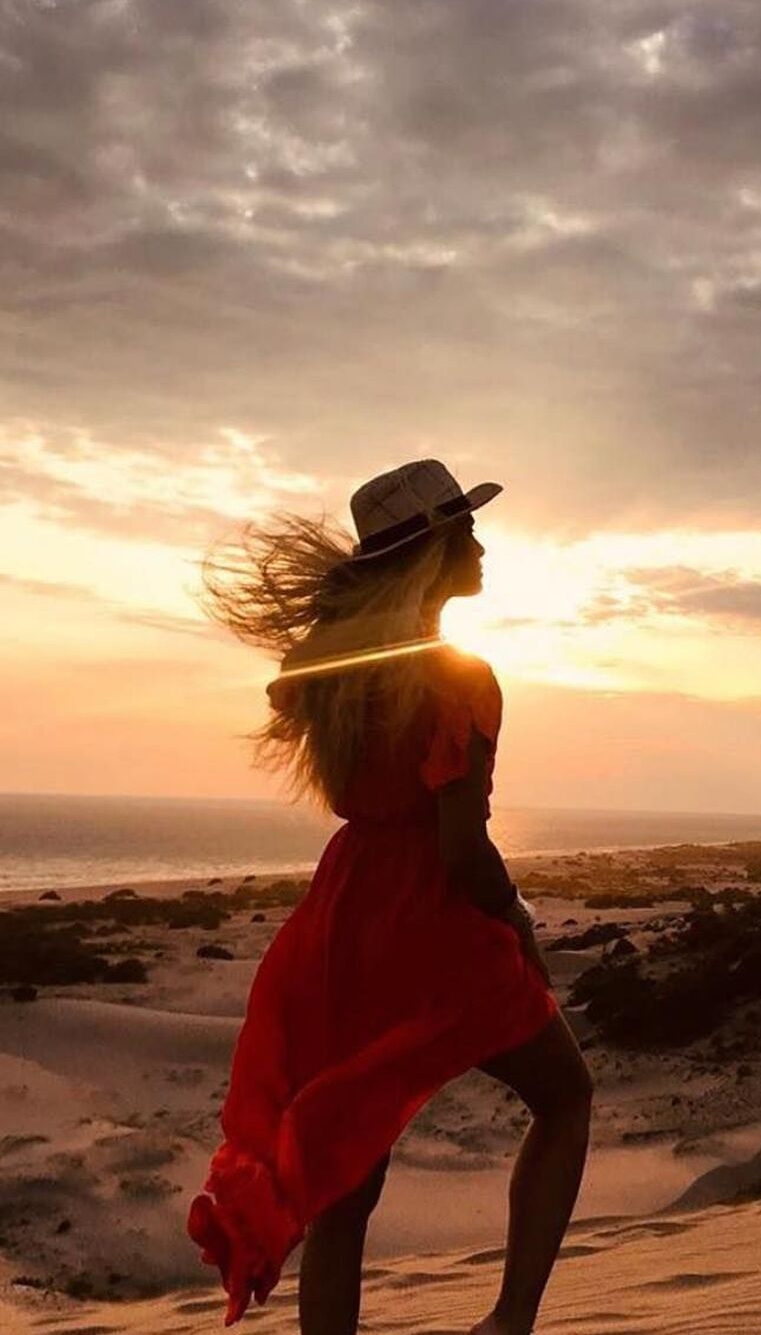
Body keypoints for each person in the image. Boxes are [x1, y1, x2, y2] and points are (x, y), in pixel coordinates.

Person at [185, 459, 594, 1335]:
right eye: (466, 528)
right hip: (431, 920)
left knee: (345, 1185)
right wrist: (516, 922)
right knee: (566, 1096)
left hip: (343, 917)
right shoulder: (461, 677)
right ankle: (509, 1322)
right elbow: (460, 846)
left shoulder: (338, 678)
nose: (481, 543)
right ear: (434, 549)